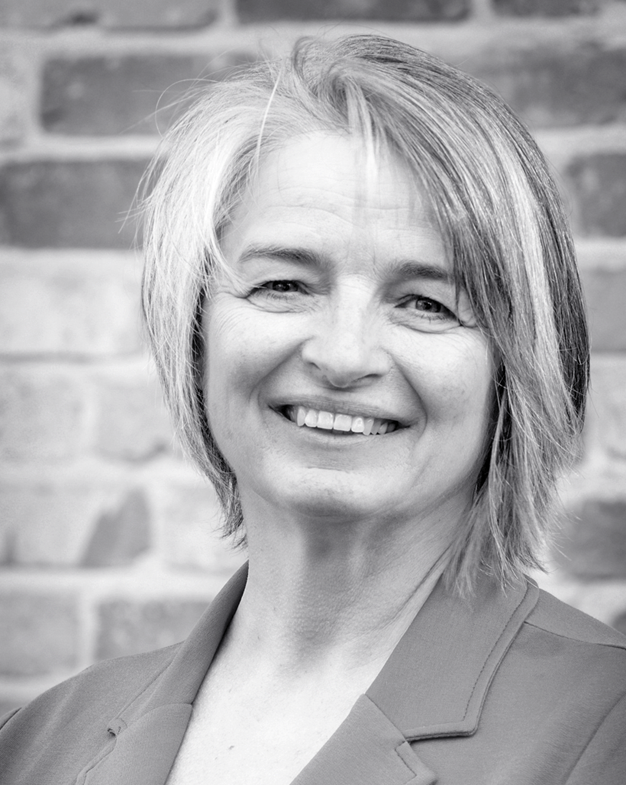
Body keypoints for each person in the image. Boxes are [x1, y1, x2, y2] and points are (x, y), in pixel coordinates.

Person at [1, 34, 625, 785]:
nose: (343, 354)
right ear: (196, 332)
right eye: (284, 285)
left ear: (513, 368)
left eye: (425, 302)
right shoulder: (39, 743)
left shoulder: (605, 726)